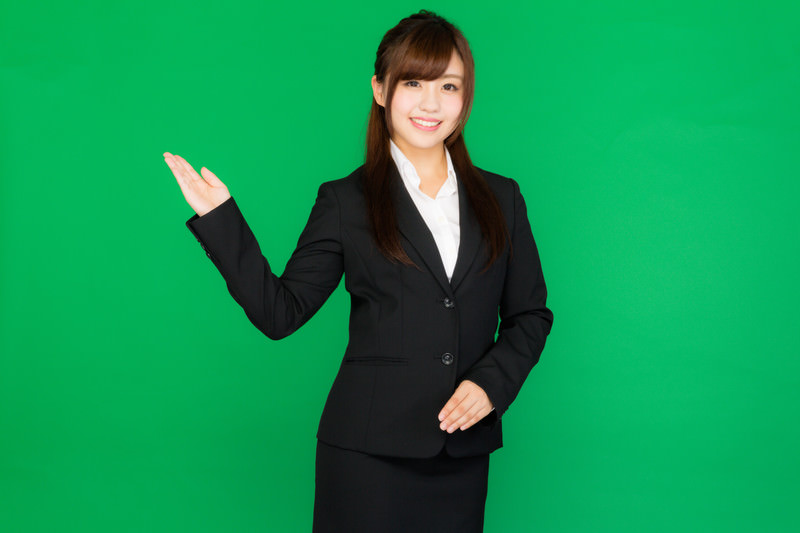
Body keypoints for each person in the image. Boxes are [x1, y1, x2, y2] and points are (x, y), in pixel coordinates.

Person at [164, 10, 553, 533]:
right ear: (380, 89)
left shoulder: (502, 198)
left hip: (461, 456)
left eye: (448, 86)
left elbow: (530, 316)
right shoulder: (346, 200)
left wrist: (490, 385)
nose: (431, 103)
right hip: (366, 459)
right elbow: (281, 313)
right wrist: (220, 220)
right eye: (413, 83)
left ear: (465, 97)